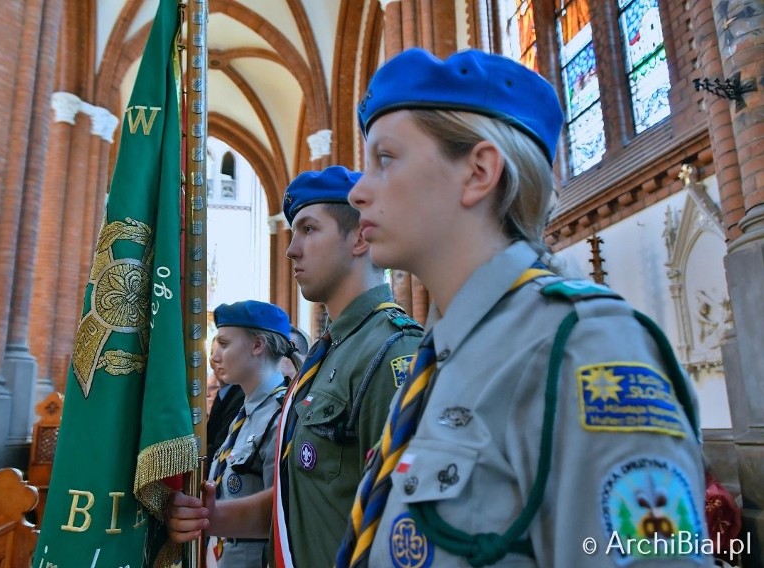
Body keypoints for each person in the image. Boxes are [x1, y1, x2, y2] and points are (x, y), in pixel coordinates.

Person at [339, 48, 709, 567]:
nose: (357, 192)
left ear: (478, 172)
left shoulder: (582, 347)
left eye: (385, 159)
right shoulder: (443, 356)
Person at [166, 166, 424, 567]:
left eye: (308, 229)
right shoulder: (328, 355)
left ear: (358, 236)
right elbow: (301, 494)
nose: (291, 250)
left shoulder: (392, 349)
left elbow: (407, 519)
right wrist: (213, 516)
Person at [207, 300, 293, 567]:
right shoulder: (247, 411)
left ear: (257, 345)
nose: (214, 356)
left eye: (224, 343)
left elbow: (280, 512)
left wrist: (207, 517)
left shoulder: (281, 416)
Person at [206, 336, 246, 463]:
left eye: (224, 354)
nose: (217, 361)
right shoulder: (222, 393)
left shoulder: (241, 395)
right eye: (214, 355)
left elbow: (220, 445)